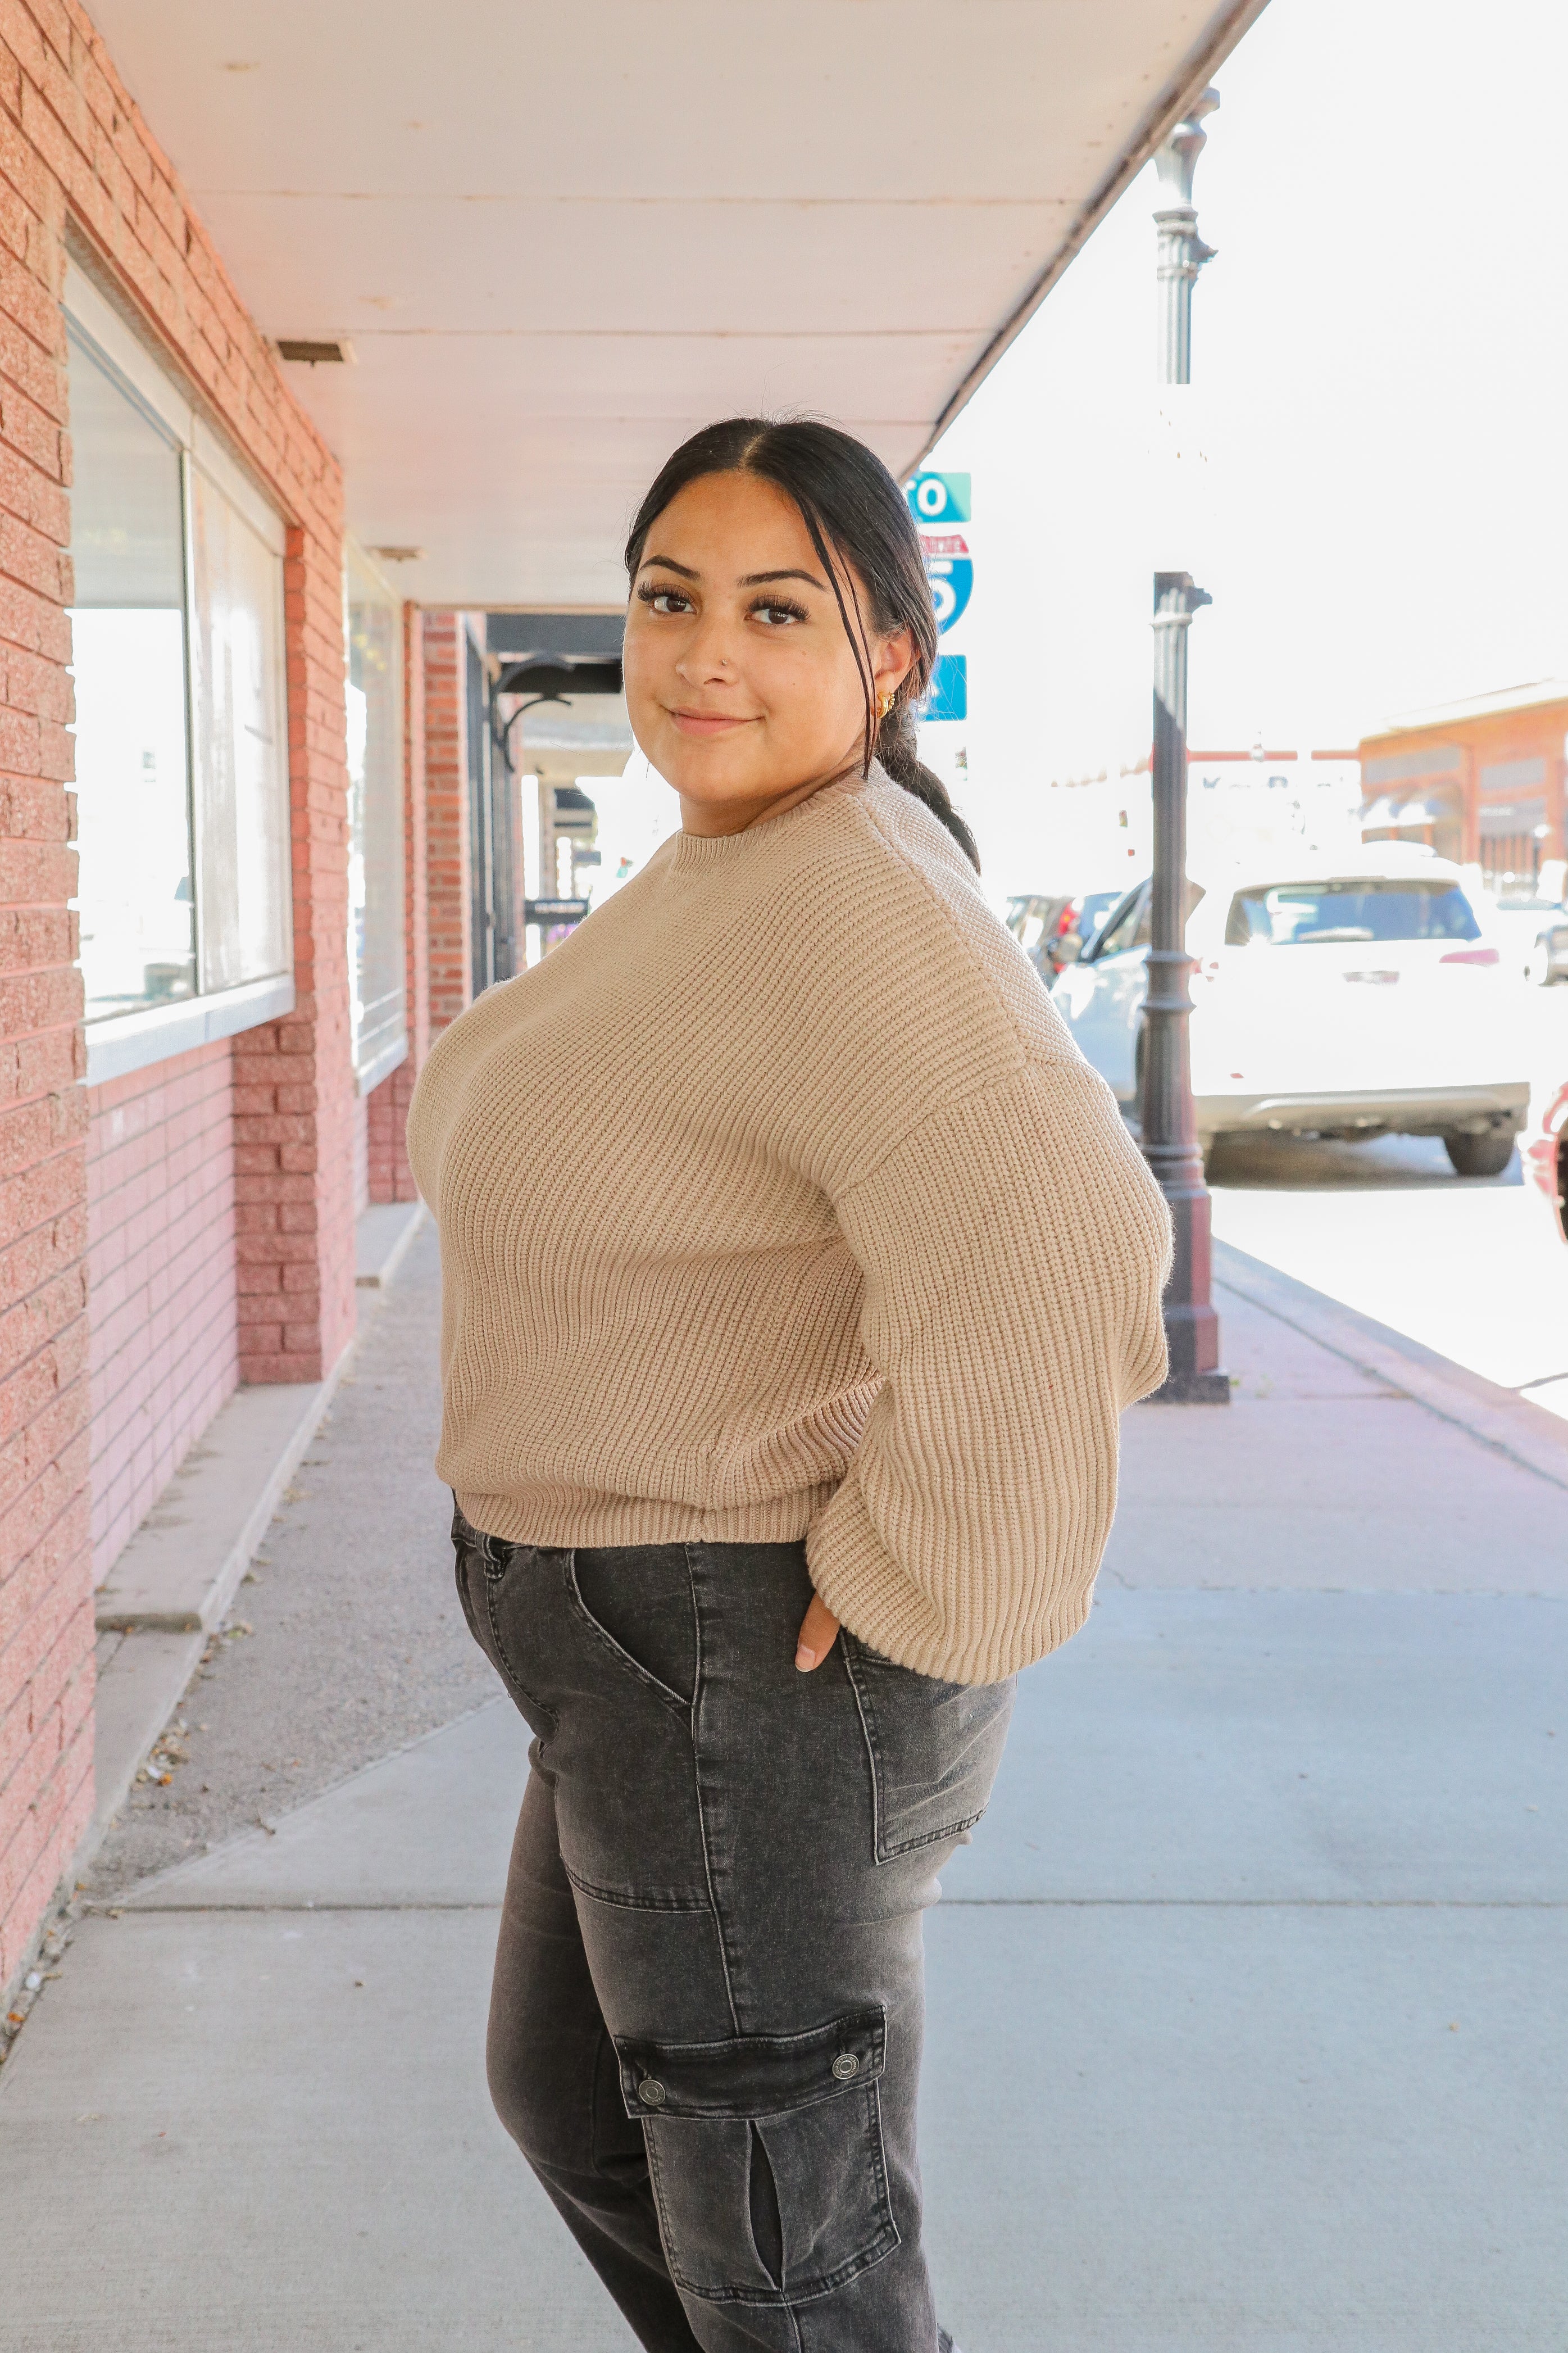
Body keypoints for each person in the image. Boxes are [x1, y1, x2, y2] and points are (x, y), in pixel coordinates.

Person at [407, 417, 1172, 2352]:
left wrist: (923, 1580)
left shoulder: (851, 896)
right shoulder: (731, 867)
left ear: (890, 656)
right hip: (634, 1653)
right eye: (669, 597)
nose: (700, 653)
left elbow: (1066, 1237)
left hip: (730, 1652)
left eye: (774, 606)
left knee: (783, 2240)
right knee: (583, 2108)